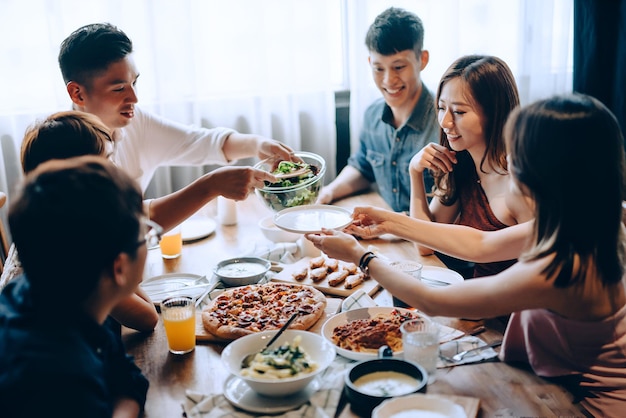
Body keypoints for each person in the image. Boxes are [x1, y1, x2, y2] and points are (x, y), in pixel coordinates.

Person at [307, 93, 626, 416]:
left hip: (588, 406)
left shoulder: (562, 267)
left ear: (543, 173)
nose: (508, 161)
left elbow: (433, 301)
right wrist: (390, 220)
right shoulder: (588, 223)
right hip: (554, 380)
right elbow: (482, 244)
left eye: (515, 154)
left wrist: (362, 257)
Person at [58, 22, 293, 196]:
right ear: (77, 93)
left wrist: (257, 144)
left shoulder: (134, 121)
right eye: (119, 89)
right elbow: (123, 222)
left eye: (135, 83)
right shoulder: (62, 151)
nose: (135, 98)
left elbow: (199, 142)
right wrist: (211, 186)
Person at [0, 156, 150, 416]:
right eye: (145, 234)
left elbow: (127, 378)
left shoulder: (57, 292)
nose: (149, 238)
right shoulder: (61, 379)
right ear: (119, 268)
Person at [408, 55, 534, 278]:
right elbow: (425, 245)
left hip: (512, 308)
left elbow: (540, 269)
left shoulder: (520, 180)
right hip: (479, 299)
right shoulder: (461, 165)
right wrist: (414, 172)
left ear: (494, 113)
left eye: (459, 112)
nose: (445, 122)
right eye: (441, 108)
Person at [316, 7, 438, 213]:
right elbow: (363, 167)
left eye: (399, 67)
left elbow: (450, 209)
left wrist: (390, 226)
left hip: (426, 239)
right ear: (369, 63)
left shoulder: (445, 123)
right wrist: (329, 191)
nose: (388, 80)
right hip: (389, 234)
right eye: (378, 68)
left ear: (422, 60)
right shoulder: (372, 115)